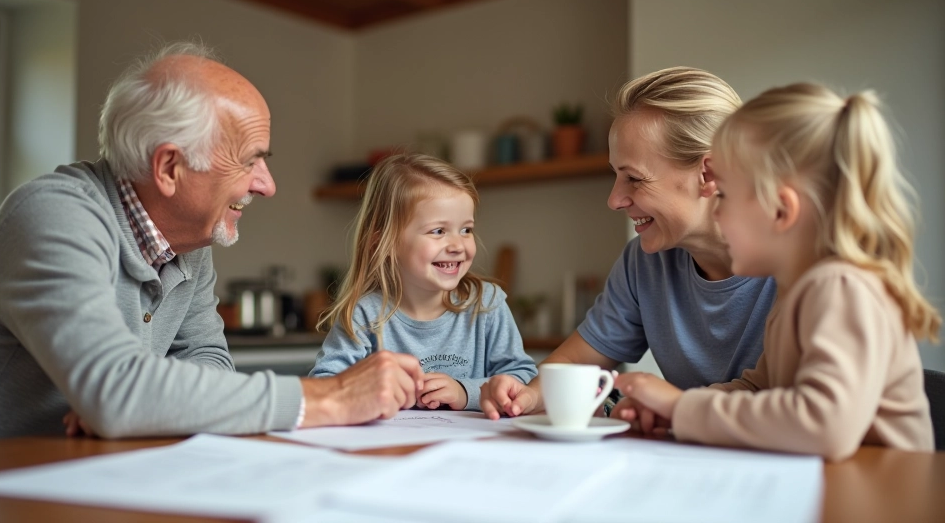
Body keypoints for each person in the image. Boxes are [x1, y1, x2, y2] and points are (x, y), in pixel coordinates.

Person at [0, 42, 424, 443]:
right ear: (168, 168)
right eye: (250, 160)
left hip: (93, 476)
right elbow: (116, 392)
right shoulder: (53, 215)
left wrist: (142, 404)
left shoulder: (189, 245)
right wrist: (331, 397)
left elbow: (209, 362)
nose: (267, 185)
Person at [614, 83, 938, 460]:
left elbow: (825, 425)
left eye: (728, 198)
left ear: (781, 211)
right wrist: (673, 411)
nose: (717, 214)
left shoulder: (840, 288)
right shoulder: (800, 291)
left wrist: (682, 408)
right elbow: (760, 391)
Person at [481, 67, 777, 423]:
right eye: (615, 176)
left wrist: (672, 407)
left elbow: (800, 400)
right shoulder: (645, 262)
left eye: (634, 179)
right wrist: (527, 396)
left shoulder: (802, 262)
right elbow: (574, 363)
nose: (615, 200)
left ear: (708, 175)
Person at [310, 153, 537, 411]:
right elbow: (324, 384)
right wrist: (373, 391)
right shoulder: (364, 314)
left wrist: (465, 392)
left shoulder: (487, 304)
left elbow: (523, 378)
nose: (457, 245)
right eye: (438, 231)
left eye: (466, 230)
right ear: (385, 241)